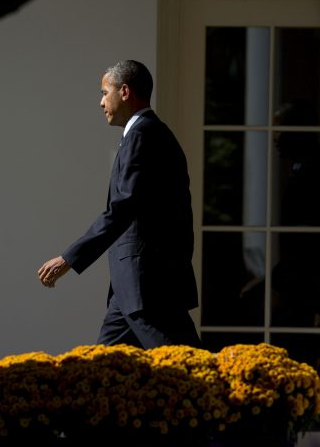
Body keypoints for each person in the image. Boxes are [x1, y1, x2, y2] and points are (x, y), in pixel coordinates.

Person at [37, 60, 201, 349]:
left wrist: (68, 259)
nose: (101, 102)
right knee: (98, 373)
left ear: (124, 91)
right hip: (134, 289)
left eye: (104, 92)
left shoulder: (141, 135)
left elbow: (123, 208)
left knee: (188, 369)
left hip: (147, 288)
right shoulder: (152, 133)